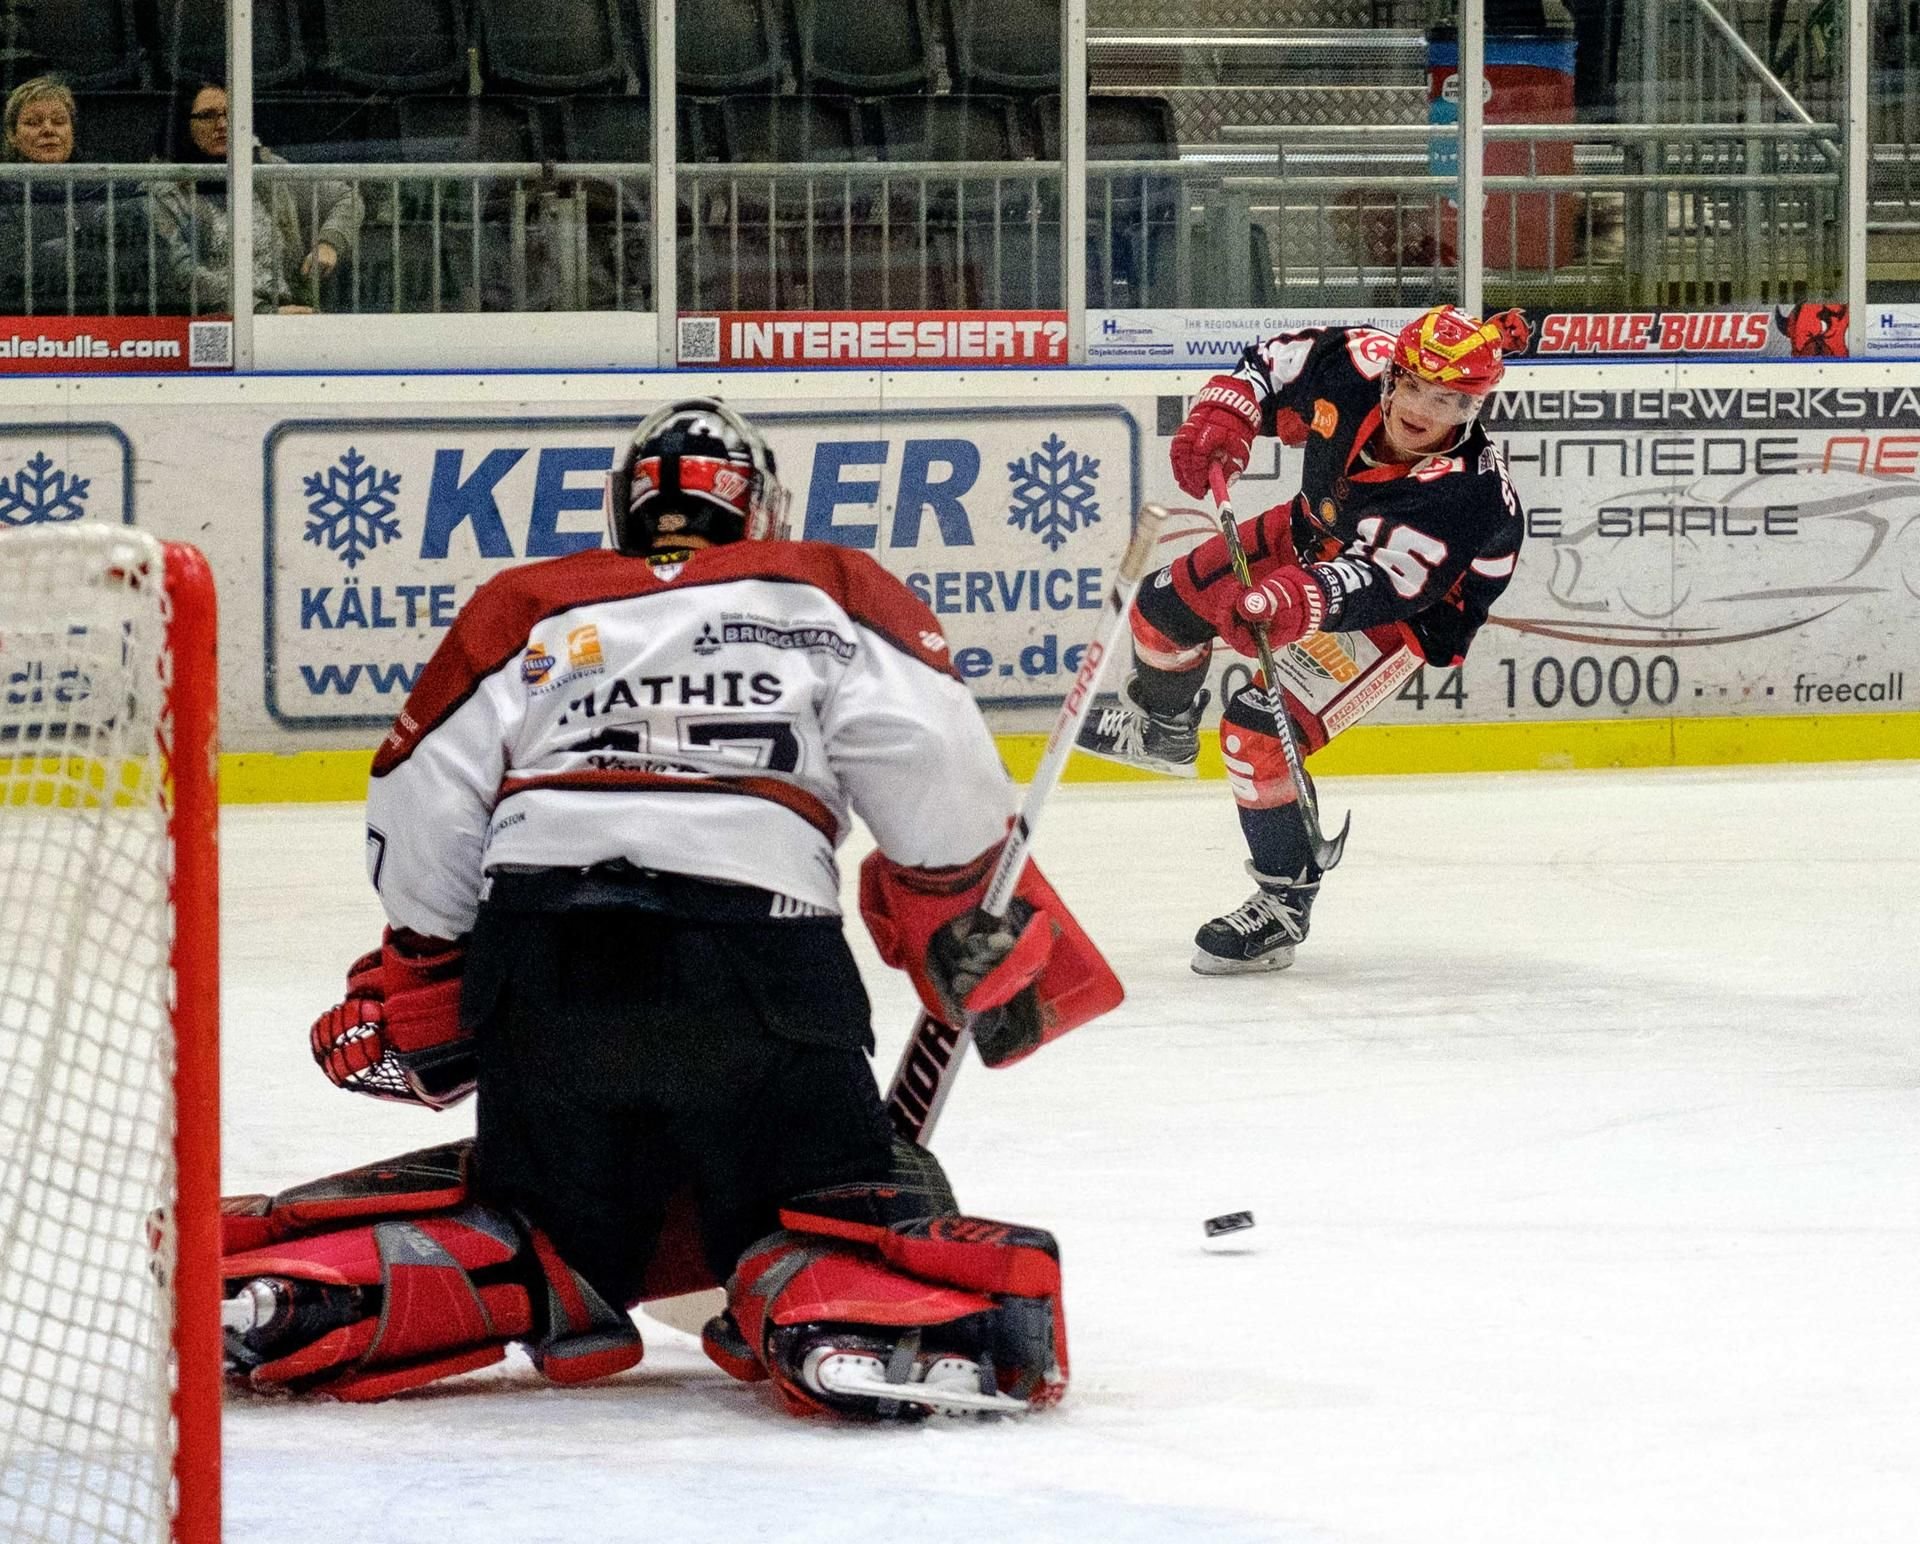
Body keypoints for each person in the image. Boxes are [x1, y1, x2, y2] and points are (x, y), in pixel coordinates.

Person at [220, 398, 1116, 1420]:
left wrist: (435, 957)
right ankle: (846, 1305)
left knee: (542, 1221)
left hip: (542, 967)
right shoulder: (823, 582)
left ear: (624, 507)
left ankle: (300, 1298)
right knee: (829, 1198)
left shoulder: (528, 601)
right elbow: (930, 764)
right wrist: (952, 895)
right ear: (762, 505)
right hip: (756, 963)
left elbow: (418, 801)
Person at [1077, 304, 1531, 975]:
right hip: (1314, 531)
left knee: (1256, 734)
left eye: (1446, 399)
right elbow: (1267, 363)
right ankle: (1165, 729)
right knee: (1163, 610)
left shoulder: (1466, 493)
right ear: (1394, 371)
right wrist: (1225, 416)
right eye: (1413, 384)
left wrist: (1297, 597)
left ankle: (1284, 904)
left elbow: (1386, 582)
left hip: (1402, 613)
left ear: (1470, 410)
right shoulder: (1354, 361)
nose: (1421, 408)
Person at [149, 80, 363, 315]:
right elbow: (184, 276)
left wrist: (329, 243)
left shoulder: (263, 166)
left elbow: (346, 198)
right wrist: (262, 312)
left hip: (289, 310)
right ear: (183, 125)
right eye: (208, 116)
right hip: (218, 321)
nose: (222, 124)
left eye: (229, 113)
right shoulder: (163, 190)